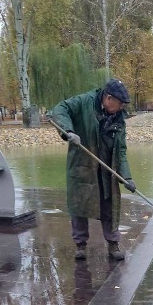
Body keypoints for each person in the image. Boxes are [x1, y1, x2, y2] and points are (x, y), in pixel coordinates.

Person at [50, 78, 136, 261]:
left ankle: (113, 244)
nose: (121, 107)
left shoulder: (119, 119)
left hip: (107, 168)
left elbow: (121, 151)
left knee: (109, 205)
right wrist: (68, 132)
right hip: (82, 164)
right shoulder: (83, 102)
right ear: (108, 98)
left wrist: (127, 177)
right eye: (119, 103)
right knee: (79, 205)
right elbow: (59, 110)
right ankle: (80, 245)